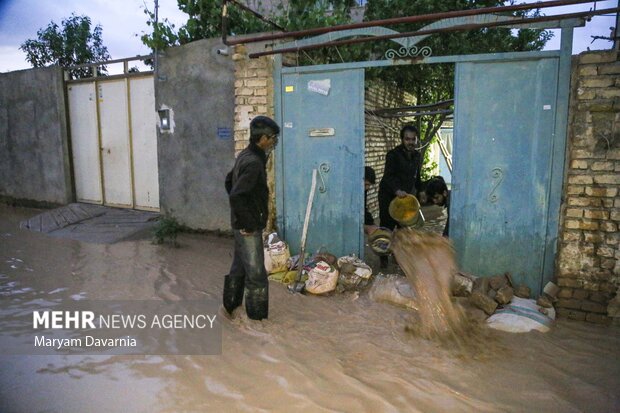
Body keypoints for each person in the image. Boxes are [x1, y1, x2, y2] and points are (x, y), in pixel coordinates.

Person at [223, 115, 280, 320]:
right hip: (247, 227)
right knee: (256, 275)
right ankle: (258, 321)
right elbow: (237, 194)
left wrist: (239, 217)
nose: (274, 142)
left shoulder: (245, 155)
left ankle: (230, 308)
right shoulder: (254, 162)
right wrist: (248, 222)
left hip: (239, 224)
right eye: (272, 138)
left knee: (239, 268)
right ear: (262, 138)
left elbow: (229, 182)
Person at [378, 124, 424, 232]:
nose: (410, 142)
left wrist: (421, 190)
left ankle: (400, 248)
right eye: (407, 139)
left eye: (413, 139)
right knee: (386, 227)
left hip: (404, 198)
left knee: (404, 228)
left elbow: (417, 175)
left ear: (417, 139)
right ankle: (384, 248)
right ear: (402, 139)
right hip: (388, 196)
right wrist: (397, 190)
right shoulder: (393, 155)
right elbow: (388, 176)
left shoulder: (417, 156)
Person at [364, 166, 378, 235]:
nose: (367, 188)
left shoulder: (364, 190)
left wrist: (371, 223)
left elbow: (363, 208)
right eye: (366, 184)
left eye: (369, 185)